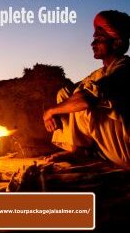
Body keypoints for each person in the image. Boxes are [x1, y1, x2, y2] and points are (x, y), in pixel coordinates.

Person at [43, 10, 130, 166]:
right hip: (110, 146)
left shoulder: (124, 69)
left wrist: (50, 111)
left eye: (99, 39)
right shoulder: (100, 73)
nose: (92, 44)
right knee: (65, 94)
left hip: (126, 150)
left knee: (81, 97)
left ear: (116, 42)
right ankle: (77, 150)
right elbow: (69, 94)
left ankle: (78, 153)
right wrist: (58, 109)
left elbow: (85, 99)